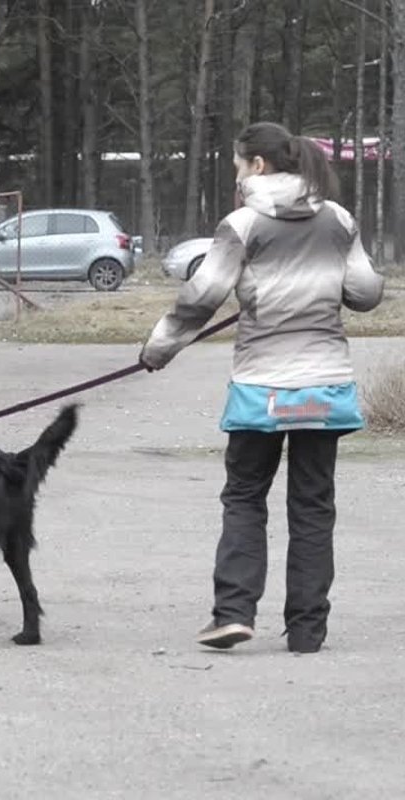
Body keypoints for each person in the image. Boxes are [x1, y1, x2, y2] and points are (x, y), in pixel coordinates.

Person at [139, 121, 384, 653]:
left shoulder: (241, 225)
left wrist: (156, 351)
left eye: (235, 163)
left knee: (246, 497)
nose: (234, 172)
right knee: (313, 505)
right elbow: (364, 293)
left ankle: (234, 612)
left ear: (257, 165)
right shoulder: (338, 219)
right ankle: (307, 630)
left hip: (262, 384)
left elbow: (201, 299)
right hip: (324, 383)